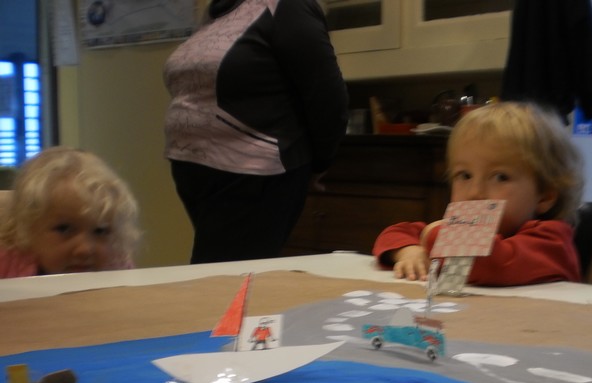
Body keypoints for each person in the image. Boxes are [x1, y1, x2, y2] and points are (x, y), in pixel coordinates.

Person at [163, 0, 349, 264]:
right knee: (219, 271)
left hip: (254, 174)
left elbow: (327, 96)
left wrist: (320, 163)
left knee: (221, 276)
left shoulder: (288, 7)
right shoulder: (217, 13)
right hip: (198, 175)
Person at [373, 102, 583, 286]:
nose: (475, 192)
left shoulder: (553, 241)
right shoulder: (459, 230)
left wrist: (431, 235)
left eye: (500, 177)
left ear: (545, 196)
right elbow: (394, 233)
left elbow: (492, 262)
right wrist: (409, 250)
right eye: (465, 175)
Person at [0, 147, 140, 279]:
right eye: (64, 229)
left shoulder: (116, 263)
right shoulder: (8, 265)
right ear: (26, 231)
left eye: (100, 231)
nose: (85, 249)